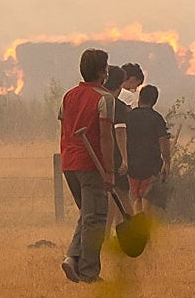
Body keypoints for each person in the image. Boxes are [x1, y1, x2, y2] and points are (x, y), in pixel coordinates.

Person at [59, 48, 115, 283]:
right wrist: (109, 171)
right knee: (96, 219)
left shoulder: (69, 95)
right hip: (91, 165)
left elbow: (63, 124)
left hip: (69, 162)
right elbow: (105, 137)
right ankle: (89, 272)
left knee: (87, 215)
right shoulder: (105, 98)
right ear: (102, 71)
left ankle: (72, 258)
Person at [126, 85, 171, 214]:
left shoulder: (129, 116)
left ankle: (138, 219)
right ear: (154, 101)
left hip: (131, 163)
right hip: (151, 164)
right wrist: (167, 162)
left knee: (136, 196)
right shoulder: (157, 118)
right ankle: (143, 221)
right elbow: (163, 141)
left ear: (139, 98)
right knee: (147, 196)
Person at [104, 66, 132, 222]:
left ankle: (105, 232)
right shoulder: (118, 106)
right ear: (120, 85)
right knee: (122, 194)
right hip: (114, 155)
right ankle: (132, 231)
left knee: (105, 195)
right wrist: (125, 159)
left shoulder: (97, 100)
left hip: (98, 155)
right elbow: (120, 132)